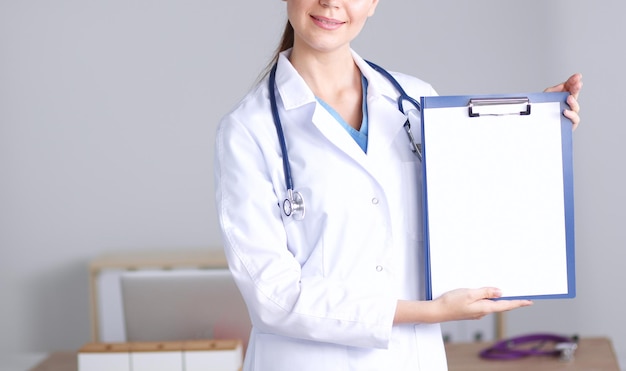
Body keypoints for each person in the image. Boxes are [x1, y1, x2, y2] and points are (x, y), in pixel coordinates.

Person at [214, 0, 583, 370]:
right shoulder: (249, 131)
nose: (330, 2)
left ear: (373, 2)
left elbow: (475, 205)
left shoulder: (416, 102)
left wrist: (537, 129)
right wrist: (429, 312)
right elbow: (274, 299)